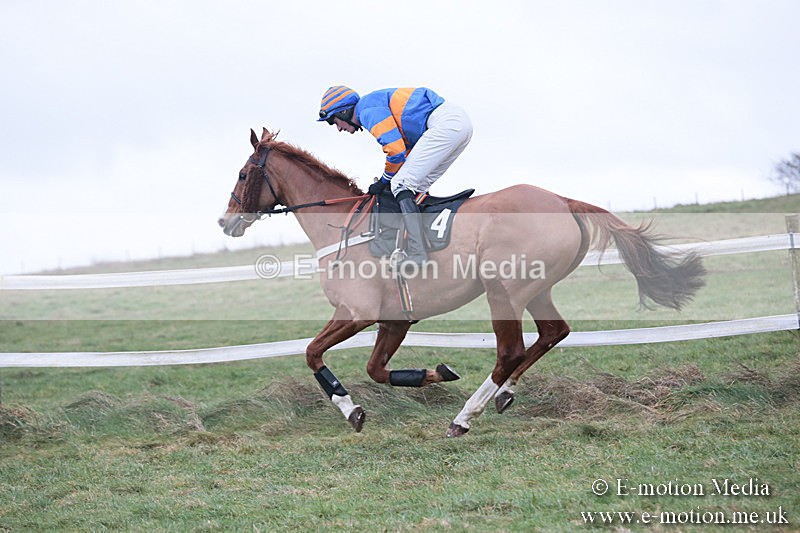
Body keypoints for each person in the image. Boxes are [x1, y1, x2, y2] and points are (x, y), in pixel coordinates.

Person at [318, 85, 473, 265]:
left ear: (344, 112)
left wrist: (384, 180)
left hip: (445, 124)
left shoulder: (366, 111)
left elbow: (395, 151)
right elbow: (405, 153)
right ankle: (424, 242)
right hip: (456, 125)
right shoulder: (370, 107)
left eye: (333, 121)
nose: (338, 128)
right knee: (415, 185)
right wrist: (389, 178)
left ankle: (418, 253)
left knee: (401, 184)